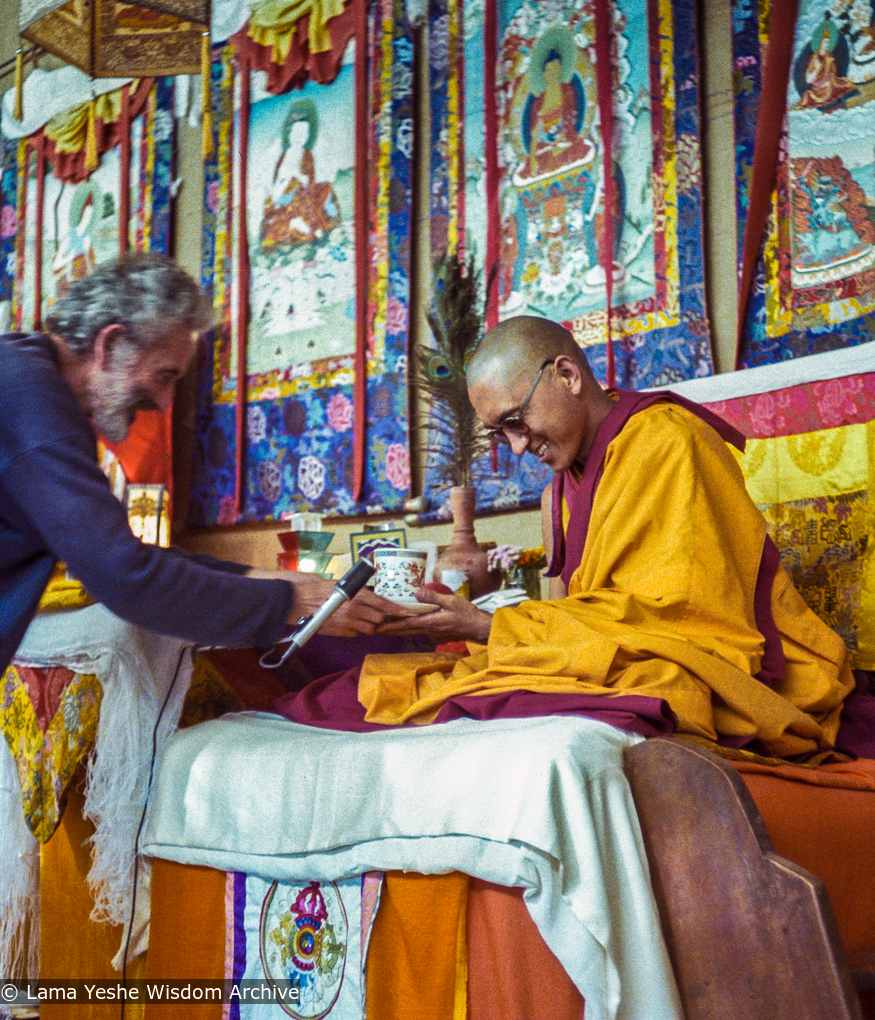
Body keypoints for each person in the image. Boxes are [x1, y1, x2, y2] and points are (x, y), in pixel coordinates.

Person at [370, 315, 853, 759]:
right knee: (428, 691)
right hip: (633, 656)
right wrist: (502, 632)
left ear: (568, 376)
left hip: (715, 664)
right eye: (501, 434)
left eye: (516, 421)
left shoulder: (668, 443)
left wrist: (489, 627)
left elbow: (687, 620)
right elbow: (576, 613)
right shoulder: (561, 490)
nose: (517, 446)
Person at [0, 251, 401, 676]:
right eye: (165, 376)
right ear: (110, 343)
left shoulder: (25, 373)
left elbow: (122, 555)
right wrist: (290, 602)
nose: (164, 403)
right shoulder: (30, 397)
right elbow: (126, 576)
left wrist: (264, 579)